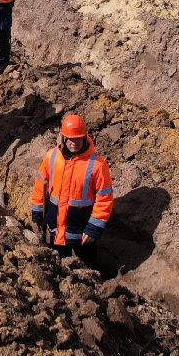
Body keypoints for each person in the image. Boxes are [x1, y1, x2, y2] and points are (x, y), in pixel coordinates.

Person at [30, 113, 114, 271]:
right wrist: (37, 210)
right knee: (57, 266)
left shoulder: (97, 165)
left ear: (84, 137)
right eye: (70, 138)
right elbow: (40, 185)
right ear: (62, 138)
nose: (74, 142)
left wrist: (94, 228)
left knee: (88, 267)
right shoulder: (52, 156)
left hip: (82, 231)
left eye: (78, 138)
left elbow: (104, 199)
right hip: (55, 227)